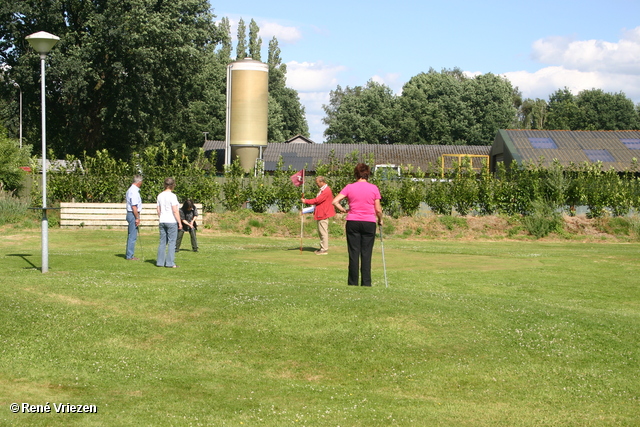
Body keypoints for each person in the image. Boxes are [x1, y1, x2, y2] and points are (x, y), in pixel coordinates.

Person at [332, 163, 383, 286]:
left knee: (353, 253)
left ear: (356, 174)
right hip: (369, 222)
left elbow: (335, 201)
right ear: (368, 174)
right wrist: (380, 219)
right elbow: (378, 209)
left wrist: (343, 210)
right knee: (366, 253)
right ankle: (366, 283)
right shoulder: (373, 188)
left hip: (353, 221)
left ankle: (352, 282)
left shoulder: (350, 187)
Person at [301, 176, 335, 255]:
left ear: (322, 182)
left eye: (317, 183)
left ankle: (324, 249)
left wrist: (306, 201)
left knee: (323, 232)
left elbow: (317, 200)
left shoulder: (326, 190)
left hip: (323, 213)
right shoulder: (323, 190)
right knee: (321, 232)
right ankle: (322, 248)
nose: (317, 184)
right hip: (321, 213)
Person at [156, 177, 182, 268]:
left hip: (162, 220)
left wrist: (161, 217)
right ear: (173, 185)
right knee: (172, 242)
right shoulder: (172, 196)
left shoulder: (160, 195)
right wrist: (180, 222)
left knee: (162, 242)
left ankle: (160, 262)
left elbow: (158, 210)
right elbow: (175, 210)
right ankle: (170, 263)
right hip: (171, 221)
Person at [125, 175, 143, 260]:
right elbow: (134, 206)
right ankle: (130, 255)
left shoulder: (131, 190)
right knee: (132, 236)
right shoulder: (134, 191)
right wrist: (137, 217)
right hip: (133, 214)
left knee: (131, 235)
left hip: (131, 214)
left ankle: (130, 254)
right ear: (139, 182)